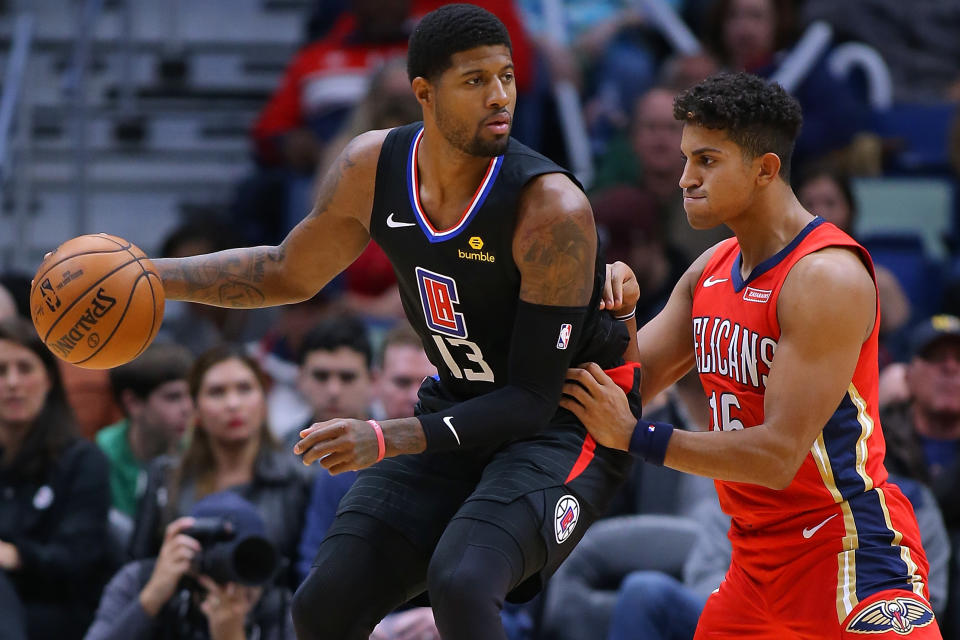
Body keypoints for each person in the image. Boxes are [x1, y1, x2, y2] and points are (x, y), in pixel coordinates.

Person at [143, 5, 638, 638]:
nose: (499, 96)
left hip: (568, 422)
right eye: (475, 80)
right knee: (323, 603)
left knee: (462, 582)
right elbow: (287, 272)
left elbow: (531, 400)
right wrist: (151, 276)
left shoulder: (550, 207)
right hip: (459, 403)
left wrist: (385, 437)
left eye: (508, 77)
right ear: (424, 94)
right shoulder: (371, 166)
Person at [560, 72, 942, 638]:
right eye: (687, 158)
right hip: (753, 565)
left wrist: (637, 438)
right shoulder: (711, 267)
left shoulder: (826, 277)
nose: (685, 178)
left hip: (847, 556)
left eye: (707, 160)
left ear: (765, 168)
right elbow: (633, 384)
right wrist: (618, 316)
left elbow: (777, 455)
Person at [128, 346, 309, 590]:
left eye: (245, 389)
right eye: (216, 392)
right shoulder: (165, 476)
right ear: (195, 409)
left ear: (264, 401)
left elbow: (306, 575)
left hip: (272, 619)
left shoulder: (298, 479)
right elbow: (137, 569)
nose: (233, 404)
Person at [0, 316, 111, 640]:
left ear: (49, 380)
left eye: (25, 368)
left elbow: (79, 560)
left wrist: (16, 556)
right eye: (1, 370)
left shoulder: (82, 460)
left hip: (57, 611)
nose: (12, 383)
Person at [84, 491, 296, 640]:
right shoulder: (140, 580)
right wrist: (151, 599)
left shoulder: (277, 607)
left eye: (249, 562)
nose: (231, 581)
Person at [98, 343, 195, 519]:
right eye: (173, 397)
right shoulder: (101, 455)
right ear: (133, 403)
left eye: (191, 395)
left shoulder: (197, 450)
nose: (187, 408)